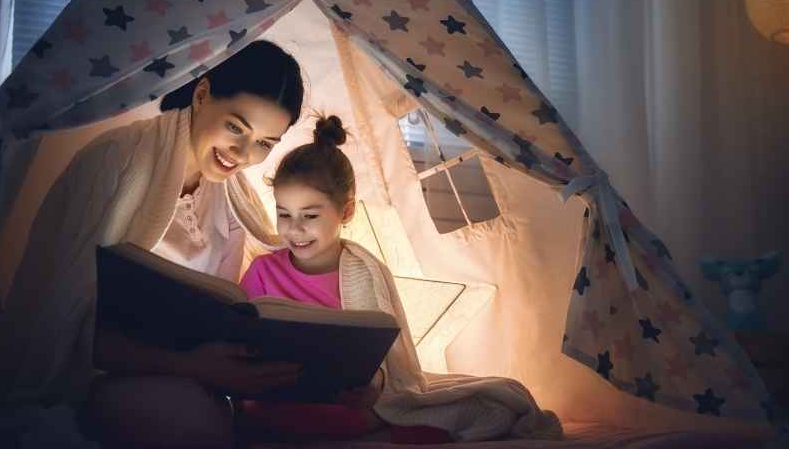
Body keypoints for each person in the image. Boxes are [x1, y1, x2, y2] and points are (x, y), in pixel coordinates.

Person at [0, 40, 305, 448]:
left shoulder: (232, 201)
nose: (243, 154)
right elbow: (65, 330)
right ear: (202, 94)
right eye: (235, 127)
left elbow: (222, 315)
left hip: (187, 374)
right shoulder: (116, 164)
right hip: (96, 373)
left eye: (264, 143)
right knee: (195, 426)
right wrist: (192, 365)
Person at [235, 115, 562, 444]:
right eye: (284, 214)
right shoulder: (262, 271)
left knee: (495, 404)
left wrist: (373, 387)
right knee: (263, 416)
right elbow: (241, 339)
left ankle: (380, 424)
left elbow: (385, 357)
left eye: (310, 215)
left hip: (344, 401)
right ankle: (384, 429)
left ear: (345, 213)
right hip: (277, 397)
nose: (295, 228)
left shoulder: (362, 270)